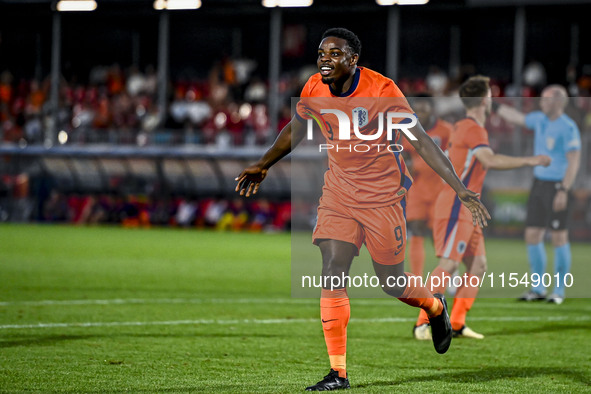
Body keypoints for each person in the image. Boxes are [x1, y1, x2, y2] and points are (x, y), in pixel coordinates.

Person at [235, 28, 490, 391]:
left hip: (383, 198)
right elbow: (298, 126)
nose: (325, 59)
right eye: (322, 52)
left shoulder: (382, 91)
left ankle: (434, 307)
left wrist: (460, 188)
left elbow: (422, 140)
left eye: (334, 53)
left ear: (353, 59)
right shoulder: (312, 87)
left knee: (392, 282)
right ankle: (337, 373)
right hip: (339, 194)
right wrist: (264, 163)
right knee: (332, 269)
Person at [413, 76, 551, 341]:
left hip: (468, 206)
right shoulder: (472, 128)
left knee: (478, 265)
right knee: (449, 264)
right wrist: (531, 160)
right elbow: (490, 159)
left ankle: (457, 322)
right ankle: (424, 323)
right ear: (485, 99)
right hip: (457, 203)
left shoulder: (467, 127)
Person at [496, 85, 581, 304]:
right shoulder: (539, 120)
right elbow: (517, 118)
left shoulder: (568, 128)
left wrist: (564, 189)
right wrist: (493, 105)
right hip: (539, 184)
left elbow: (574, 162)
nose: (541, 103)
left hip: (557, 186)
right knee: (532, 235)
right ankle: (538, 288)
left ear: (558, 102)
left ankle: (559, 291)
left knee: (559, 237)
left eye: (545, 99)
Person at [401, 94, 452, 277]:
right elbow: (405, 158)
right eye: (417, 110)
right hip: (417, 190)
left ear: (432, 109)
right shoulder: (407, 131)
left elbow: (453, 156)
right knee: (416, 229)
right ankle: (416, 277)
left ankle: (449, 275)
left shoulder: (446, 131)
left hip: (440, 190)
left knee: (438, 235)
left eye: (424, 109)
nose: (420, 113)